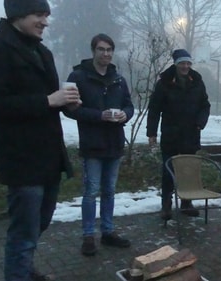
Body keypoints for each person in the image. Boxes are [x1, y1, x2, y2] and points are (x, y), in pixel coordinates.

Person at [0, 0, 80, 280]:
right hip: (22, 158)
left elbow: (49, 102)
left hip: (50, 156)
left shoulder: (42, 51)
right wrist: (47, 100)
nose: (45, 22)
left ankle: (24, 268)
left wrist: (68, 103)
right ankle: (19, 272)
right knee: (23, 233)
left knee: (39, 224)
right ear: (18, 14)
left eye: (46, 15)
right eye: (39, 14)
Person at [64, 33, 134, 256]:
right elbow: (69, 108)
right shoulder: (78, 77)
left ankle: (107, 232)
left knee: (110, 191)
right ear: (93, 51)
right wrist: (99, 116)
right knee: (91, 191)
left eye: (109, 50)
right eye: (102, 49)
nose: (106, 53)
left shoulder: (119, 79)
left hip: (114, 143)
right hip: (92, 144)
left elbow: (129, 106)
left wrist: (125, 114)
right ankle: (88, 236)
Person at [146, 49, 211, 221]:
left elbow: (205, 105)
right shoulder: (164, 83)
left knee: (189, 169)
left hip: (191, 134)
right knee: (169, 171)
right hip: (170, 135)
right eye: (182, 63)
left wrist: (200, 123)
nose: (185, 66)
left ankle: (186, 203)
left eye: (188, 63)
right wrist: (151, 133)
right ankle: (166, 205)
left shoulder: (197, 82)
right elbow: (154, 109)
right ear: (176, 64)